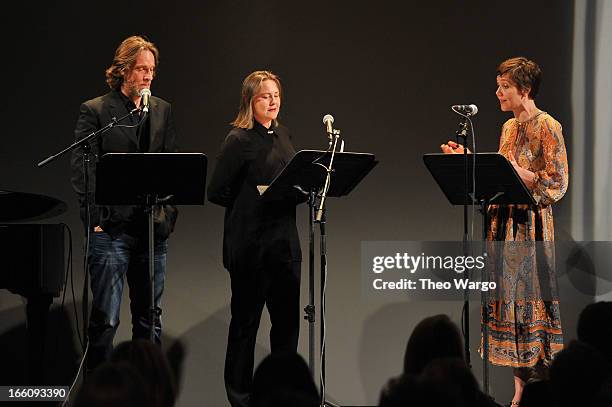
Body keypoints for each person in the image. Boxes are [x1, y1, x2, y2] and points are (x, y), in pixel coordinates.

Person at [441, 56, 569, 405]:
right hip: (503, 226)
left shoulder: (548, 126)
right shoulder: (509, 128)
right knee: (509, 308)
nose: (498, 93)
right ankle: (518, 392)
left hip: (530, 229)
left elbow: (557, 184)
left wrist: (521, 172)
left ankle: (539, 392)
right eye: (498, 86)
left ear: (524, 89)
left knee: (531, 304)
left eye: (505, 87)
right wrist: (467, 159)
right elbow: (499, 175)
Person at [70, 35, 178, 372]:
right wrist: (96, 221)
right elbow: (83, 171)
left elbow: (172, 166)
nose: (148, 76)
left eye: (152, 70)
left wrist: (167, 216)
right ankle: (99, 393)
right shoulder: (98, 110)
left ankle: (147, 395)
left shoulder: (161, 110)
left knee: (150, 321)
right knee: (106, 322)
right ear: (123, 71)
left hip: (150, 230)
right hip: (111, 233)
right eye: (141, 69)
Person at [208, 70, 302, 407]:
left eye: (276, 94)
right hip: (251, 248)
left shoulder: (284, 135)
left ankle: (283, 395)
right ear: (250, 101)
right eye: (265, 96)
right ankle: (241, 398)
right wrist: (256, 197)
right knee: (245, 327)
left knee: (287, 327)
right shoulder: (238, 139)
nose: (273, 101)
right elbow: (216, 191)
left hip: (284, 246)